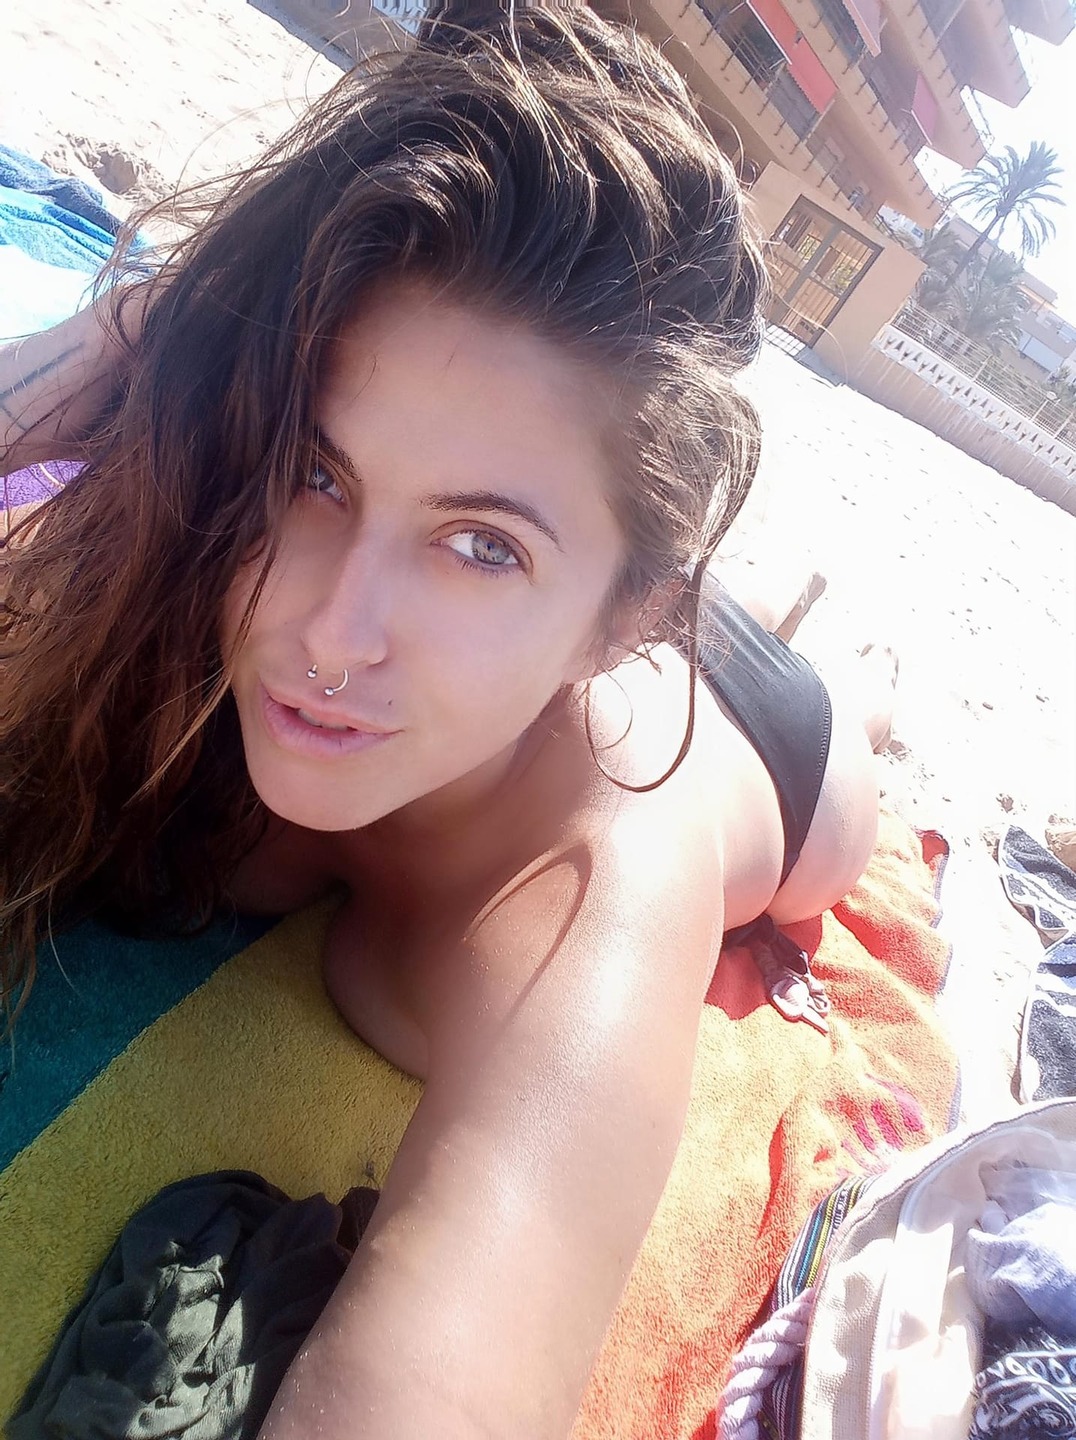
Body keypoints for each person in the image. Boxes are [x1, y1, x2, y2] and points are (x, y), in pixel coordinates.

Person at [0, 8, 895, 1435]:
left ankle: (805, 658)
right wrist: (151, 325)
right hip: (585, 564)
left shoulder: (595, 893)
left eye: (478, 546)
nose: (331, 634)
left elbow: (440, 1385)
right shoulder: (229, 569)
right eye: (317, 471)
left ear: (623, 618)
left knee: (841, 806)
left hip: (764, 741)